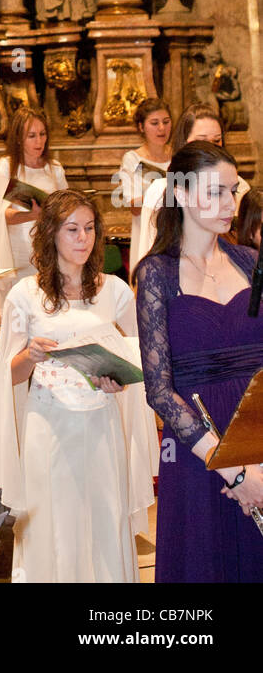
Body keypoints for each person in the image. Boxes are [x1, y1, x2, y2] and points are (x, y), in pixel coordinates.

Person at [0, 190, 156, 583]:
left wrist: (119, 381)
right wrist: (29, 355)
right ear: (50, 235)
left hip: (102, 424)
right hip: (48, 424)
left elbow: (137, 358)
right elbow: (6, 376)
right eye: (72, 229)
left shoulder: (114, 290)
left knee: (103, 517)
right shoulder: (25, 295)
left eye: (90, 228)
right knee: (54, 524)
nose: (83, 238)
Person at [134, 141, 263, 582]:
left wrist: (257, 466)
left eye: (233, 190)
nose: (230, 204)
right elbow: (159, 390)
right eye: (216, 192)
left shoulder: (250, 262)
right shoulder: (156, 273)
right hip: (198, 454)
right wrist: (233, 469)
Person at [136, 103, 250, 266]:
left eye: (216, 141)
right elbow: (148, 253)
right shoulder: (161, 190)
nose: (210, 147)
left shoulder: (240, 187)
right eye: (201, 141)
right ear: (184, 142)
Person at [0, 106, 67, 317]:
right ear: (18, 138)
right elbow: (1, 214)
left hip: (48, 248)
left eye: (42, 134)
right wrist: (32, 215)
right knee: (17, 313)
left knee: (48, 309)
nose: (39, 141)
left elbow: (67, 207)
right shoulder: (7, 167)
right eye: (31, 136)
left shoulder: (54, 168)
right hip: (18, 252)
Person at [115, 97, 172, 273]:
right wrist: (165, 191)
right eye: (154, 123)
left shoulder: (179, 156)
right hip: (148, 235)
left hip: (175, 234)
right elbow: (134, 206)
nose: (162, 128)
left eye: (166, 122)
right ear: (141, 127)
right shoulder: (132, 159)